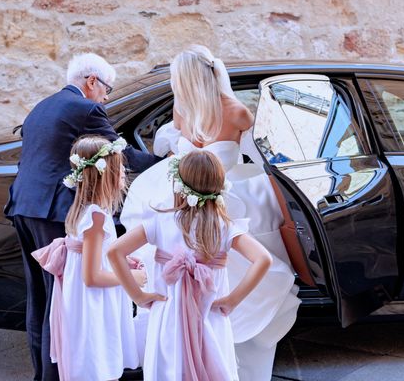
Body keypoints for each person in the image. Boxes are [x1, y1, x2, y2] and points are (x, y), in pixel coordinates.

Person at [121, 45, 301, 380]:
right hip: (223, 201)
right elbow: (262, 160)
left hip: (179, 196)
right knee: (253, 247)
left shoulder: (183, 110)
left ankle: (180, 346)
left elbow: (171, 147)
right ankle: (228, 331)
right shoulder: (237, 111)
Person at [4, 53, 160, 381]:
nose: (106, 97)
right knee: (58, 303)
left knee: (39, 299)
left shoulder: (42, 106)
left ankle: (42, 374)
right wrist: (166, 164)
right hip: (53, 211)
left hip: (23, 206)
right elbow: (120, 153)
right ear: (91, 82)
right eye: (107, 89)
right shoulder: (86, 108)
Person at [108, 151, 272, 381]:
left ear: (179, 185)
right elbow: (263, 259)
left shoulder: (160, 221)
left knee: (169, 368)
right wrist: (232, 300)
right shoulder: (223, 227)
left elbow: (114, 251)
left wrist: (138, 296)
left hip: (168, 317)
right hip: (210, 315)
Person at [32, 136, 143, 381]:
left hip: (87, 299)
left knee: (97, 365)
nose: (124, 170)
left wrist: (123, 261)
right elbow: (92, 277)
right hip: (93, 303)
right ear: (106, 174)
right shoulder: (96, 217)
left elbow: (97, 254)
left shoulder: (86, 209)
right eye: (119, 166)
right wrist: (131, 277)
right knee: (99, 365)